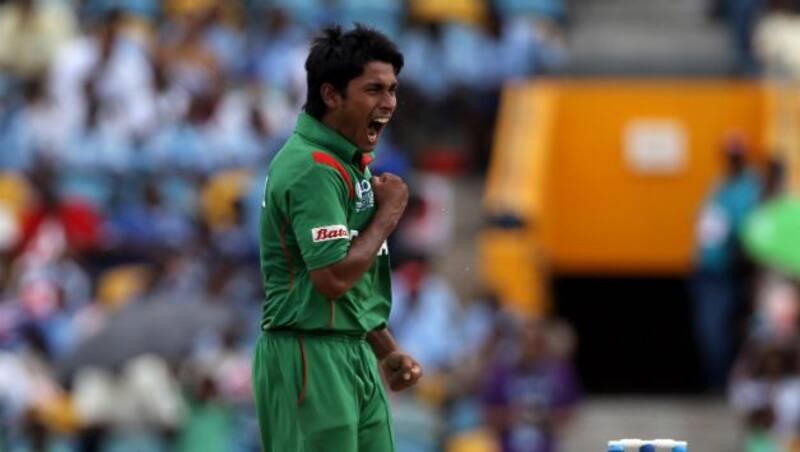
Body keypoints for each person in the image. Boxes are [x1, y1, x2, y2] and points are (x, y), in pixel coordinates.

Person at [252, 24, 423, 452]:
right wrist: (388, 215)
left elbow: (349, 278)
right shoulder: (312, 167)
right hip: (307, 355)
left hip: (352, 351)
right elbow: (331, 278)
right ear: (331, 95)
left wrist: (384, 348)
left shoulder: (349, 162)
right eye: (373, 90)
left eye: (392, 90)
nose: (388, 104)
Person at [691, 132, 762, 389]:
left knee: (720, 331)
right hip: (708, 268)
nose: (732, 160)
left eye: (736, 155)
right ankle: (716, 384)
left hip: (731, 271)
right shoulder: (720, 184)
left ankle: (726, 386)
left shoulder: (750, 187)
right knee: (708, 331)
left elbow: (747, 229)